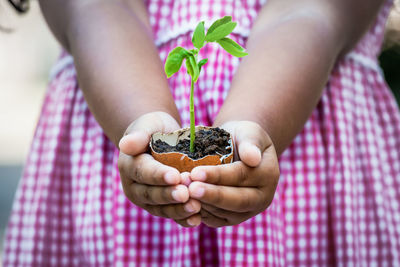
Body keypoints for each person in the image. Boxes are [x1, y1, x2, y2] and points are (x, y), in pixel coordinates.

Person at [3, 0, 400, 266]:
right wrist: (144, 120)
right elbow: (89, 7)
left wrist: (251, 126)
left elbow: (318, 9)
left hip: (307, 135)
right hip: (113, 104)